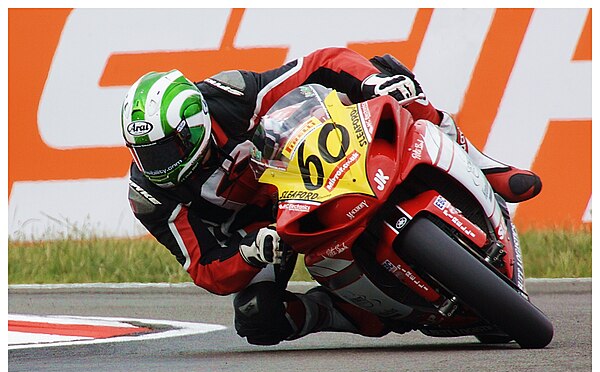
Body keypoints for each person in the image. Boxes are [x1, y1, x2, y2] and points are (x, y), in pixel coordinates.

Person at [121, 47, 541, 345]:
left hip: (301, 163)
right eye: (143, 151)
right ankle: (341, 312)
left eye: (165, 149)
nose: (156, 162)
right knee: (258, 316)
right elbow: (205, 265)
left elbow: (318, 65)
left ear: (194, 124)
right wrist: (250, 253)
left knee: (388, 78)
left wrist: (374, 84)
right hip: (265, 230)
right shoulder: (151, 197)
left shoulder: (229, 98)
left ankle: (485, 164)